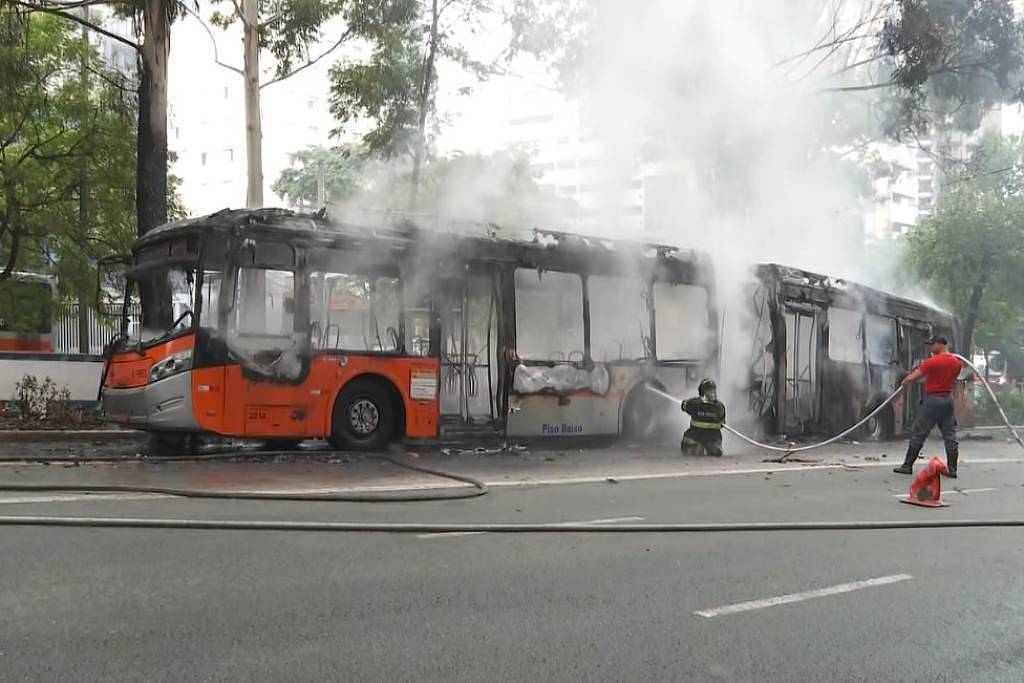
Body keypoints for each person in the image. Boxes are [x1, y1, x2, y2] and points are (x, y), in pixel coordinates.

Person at [893, 336, 962, 477]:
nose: (930, 348)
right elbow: (949, 379)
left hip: (933, 401)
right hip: (948, 400)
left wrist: (904, 382)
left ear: (940, 344)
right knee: (950, 436)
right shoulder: (957, 363)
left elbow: (914, 377)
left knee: (918, 433)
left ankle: (907, 466)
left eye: (932, 345)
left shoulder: (931, 362)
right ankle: (952, 469)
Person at [681, 378, 726, 456]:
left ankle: (711, 447)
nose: (712, 393)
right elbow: (685, 406)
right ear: (702, 392)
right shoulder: (694, 403)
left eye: (713, 390)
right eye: (709, 390)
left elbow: (722, 423)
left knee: (715, 452)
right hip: (695, 434)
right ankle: (695, 447)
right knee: (692, 451)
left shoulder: (719, 406)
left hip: (712, 436)